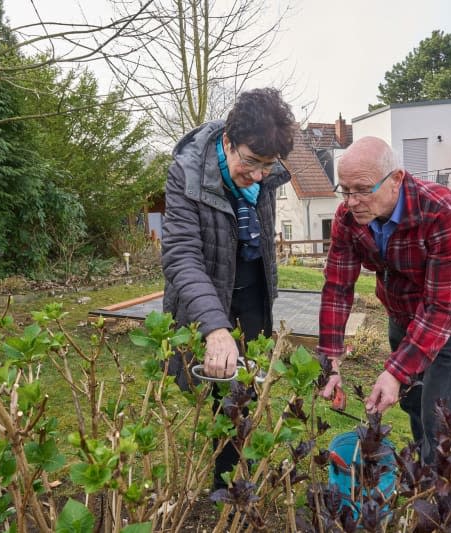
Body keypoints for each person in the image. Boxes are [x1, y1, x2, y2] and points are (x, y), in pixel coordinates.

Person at [317, 136, 451, 464]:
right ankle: (425, 469)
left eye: (363, 189)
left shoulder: (441, 211)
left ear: (396, 179)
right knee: (412, 400)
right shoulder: (348, 218)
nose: (351, 201)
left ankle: (439, 495)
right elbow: (337, 290)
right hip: (402, 311)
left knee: (439, 413)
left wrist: (394, 372)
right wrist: (330, 361)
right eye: (345, 189)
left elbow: (440, 307)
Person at [161, 87, 295, 489]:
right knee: (220, 393)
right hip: (211, 296)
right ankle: (224, 489)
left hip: (252, 294)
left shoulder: (262, 175)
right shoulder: (186, 172)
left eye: (267, 167)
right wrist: (215, 329)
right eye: (251, 162)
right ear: (227, 141)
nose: (257, 176)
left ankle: (245, 472)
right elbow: (182, 255)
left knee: (246, 390)